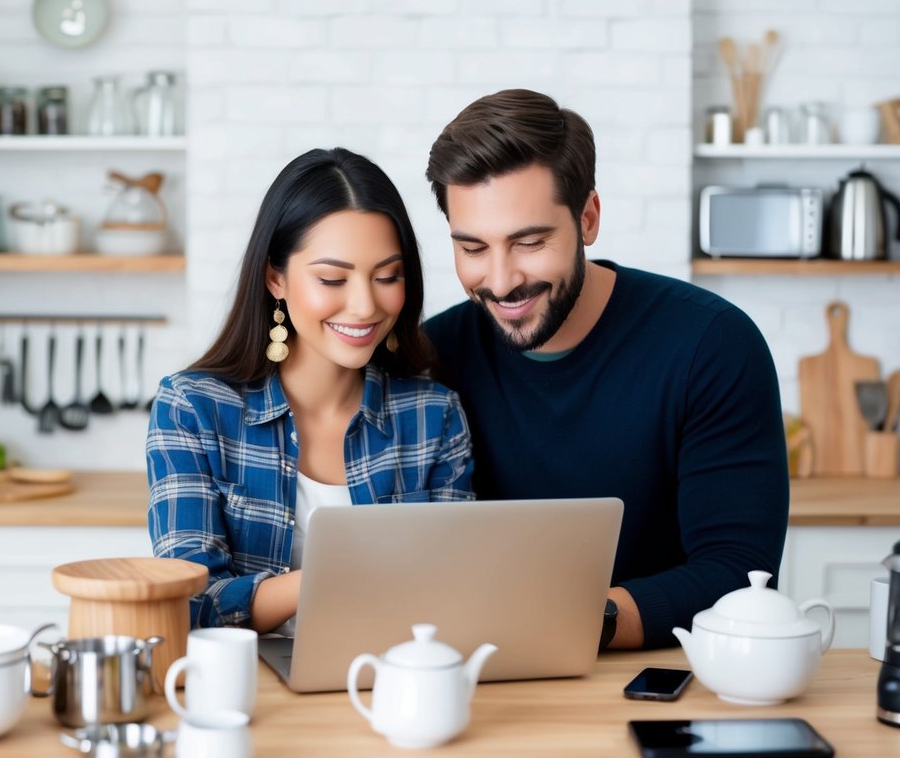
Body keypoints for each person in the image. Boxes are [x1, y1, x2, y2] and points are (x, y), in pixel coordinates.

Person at [423, 89, 788, 650]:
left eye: (530, 242)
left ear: (588, 218)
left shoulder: (711, 345)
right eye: (473, 248)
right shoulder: (435, 356)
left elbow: (739, 572)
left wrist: (565, 622)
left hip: (661, 679)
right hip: (482, 679)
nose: (499, 281)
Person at [148, 147, 474, 633]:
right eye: (332, 278)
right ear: (275, 278)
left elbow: (455, 591)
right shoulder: (193, 409)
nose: (365, 305)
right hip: (249, 693)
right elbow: (188, 603)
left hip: (392, 682)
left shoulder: (434, 416)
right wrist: (345, 570)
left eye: (387, 276)